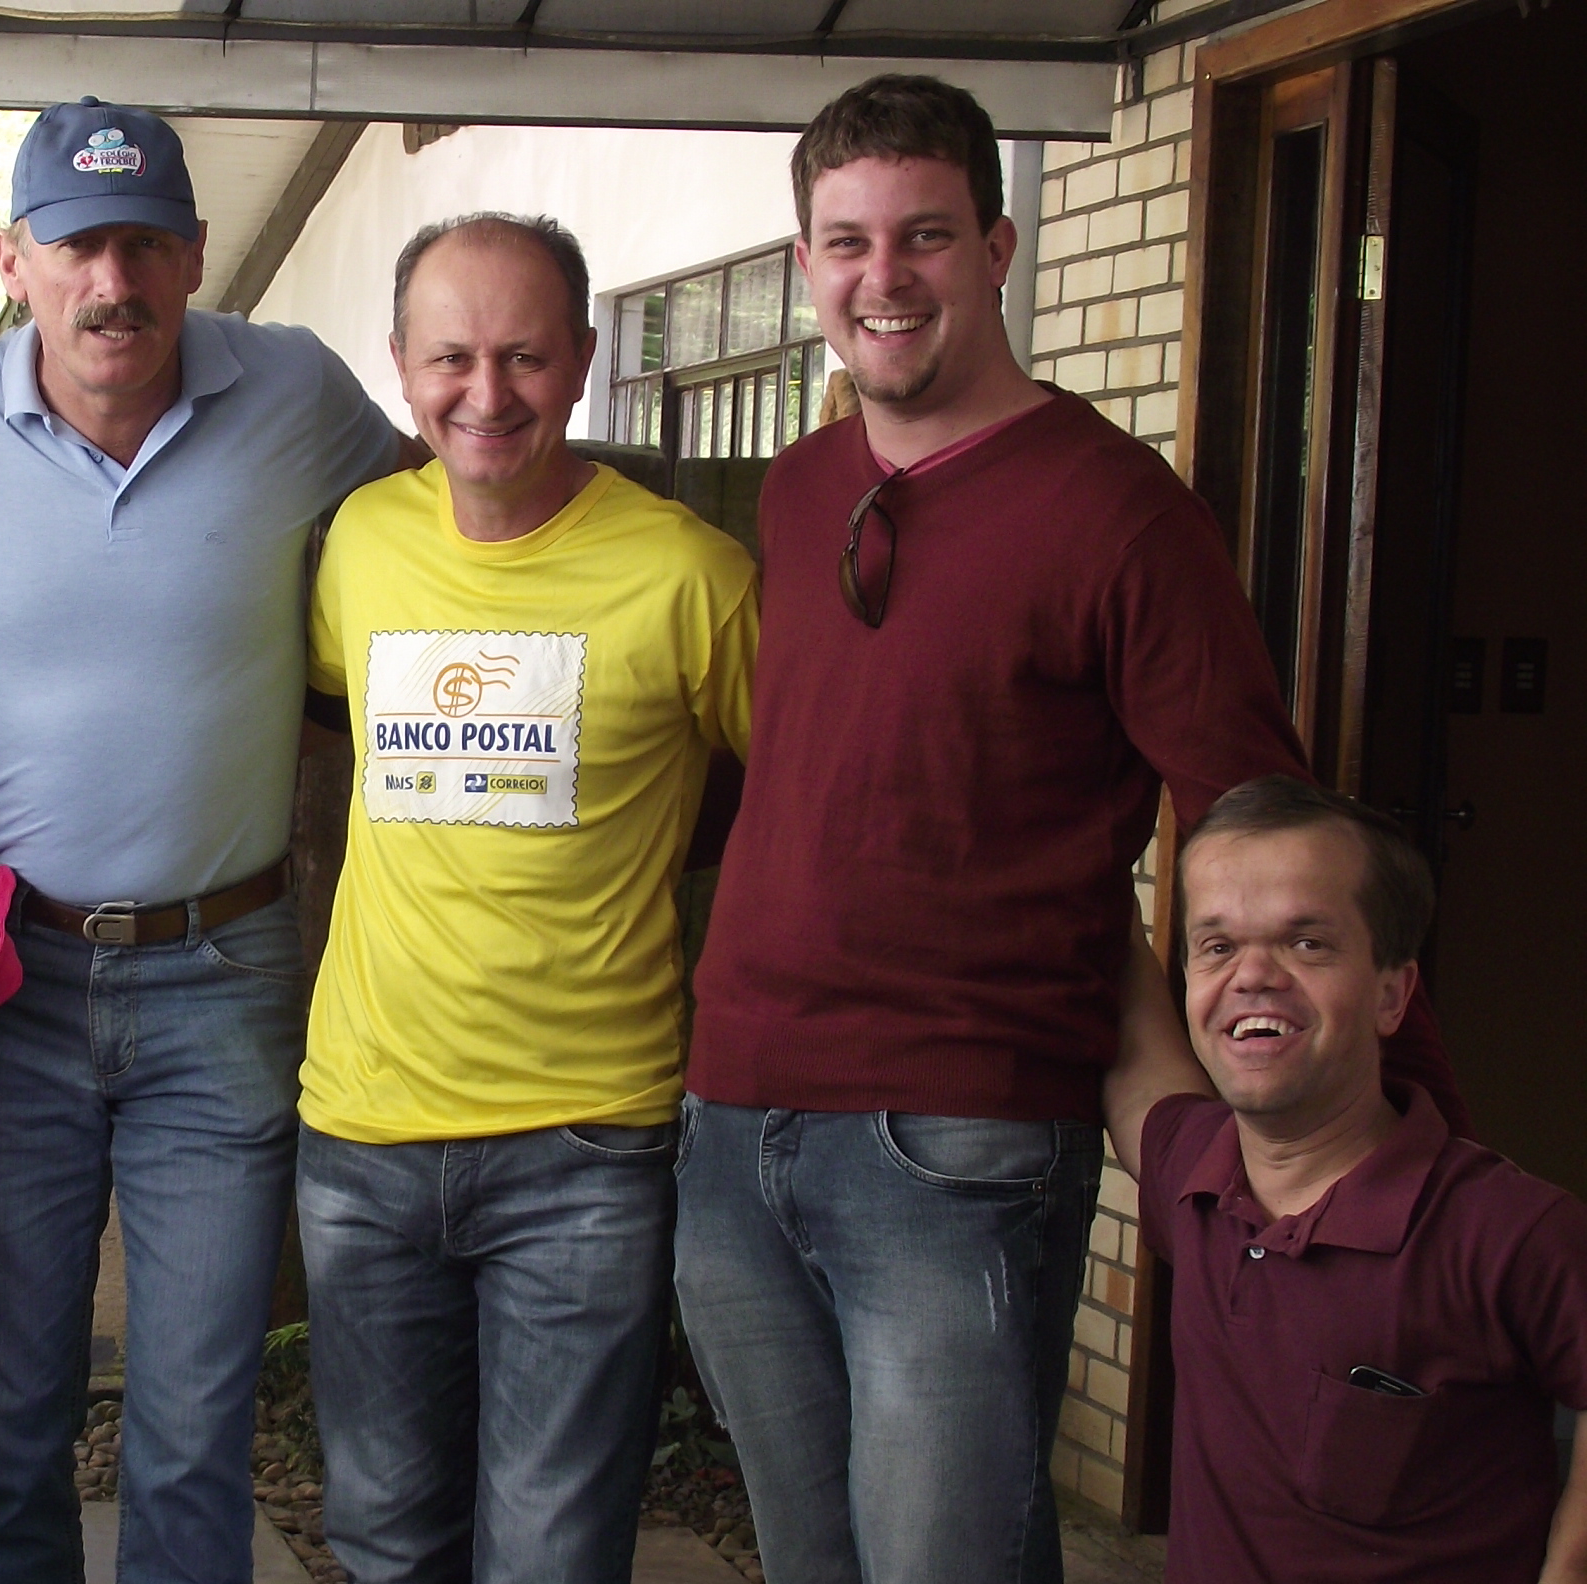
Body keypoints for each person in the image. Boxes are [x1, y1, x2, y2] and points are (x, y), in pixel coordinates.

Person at [668, 73, 1468, 1584]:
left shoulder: (1118, 511)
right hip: (732, 1114)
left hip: (954, 1133)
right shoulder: (797, 488)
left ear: (997, 248)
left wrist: (1408, 1145)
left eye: (924, 236)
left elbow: (1256, 824)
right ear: (806, 266)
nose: (884, 278)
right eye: (846, 242)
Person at [0, 98, 410, 1584]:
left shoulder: (297, 390)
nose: (109, 283)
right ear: (12, 260)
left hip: (223, 973)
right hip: (9, 979)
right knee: (10, 1407)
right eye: (75, 247)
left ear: (194, 254)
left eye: (141, 245)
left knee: (195, 1417)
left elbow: (447, 519)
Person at [295, 213, 754, 1584]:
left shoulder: (690, 574)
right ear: (399, 363)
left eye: (524, 357)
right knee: (383, 1537)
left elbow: (799, 795)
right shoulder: (360, 541)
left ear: (584, 359)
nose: (485, 394)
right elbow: (331, 730)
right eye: (451, 358)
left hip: (585, 1146)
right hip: (364, 1131)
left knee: (553, 1550)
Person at [1102, 776, 1587, 1583]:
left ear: (1392, 994)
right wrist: (1087, 860)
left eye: (1306, 943)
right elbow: (1132, 1041)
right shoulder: (1195, 1175)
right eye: (1217, 946)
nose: (1252, 975)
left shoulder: (1504, 1230)